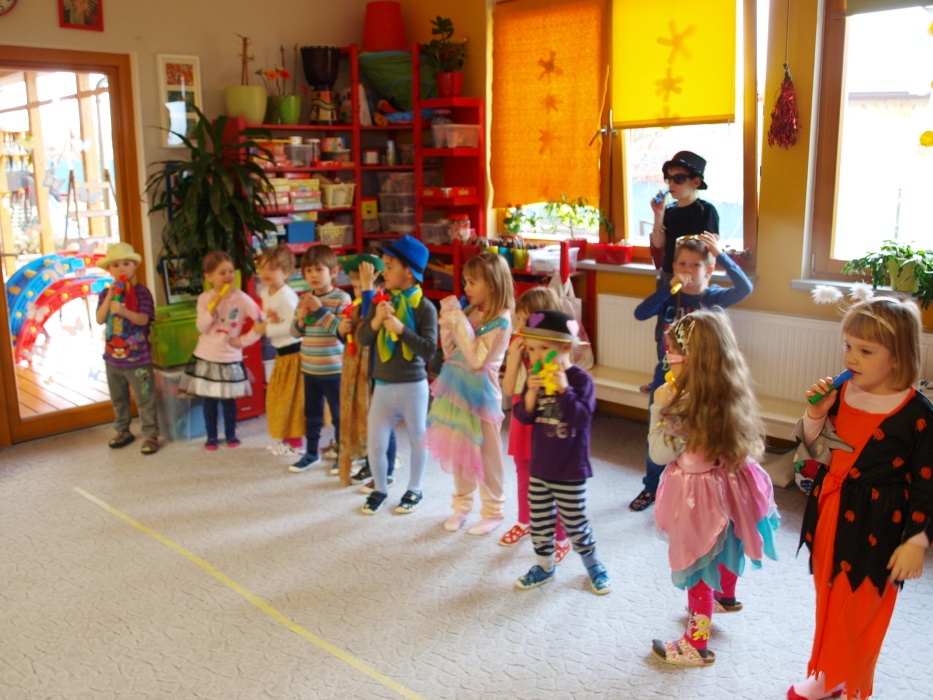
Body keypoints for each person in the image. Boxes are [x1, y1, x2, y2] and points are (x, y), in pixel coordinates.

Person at [788, 297, 932, 700]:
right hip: (831, 512)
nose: (851, 357)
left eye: (866, 351)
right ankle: (828, 674)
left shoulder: (919, 415)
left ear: (898, 358)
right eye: (848, 346)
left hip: (879, 525)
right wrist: (816, 414)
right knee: (829, 596)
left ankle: (852, 684)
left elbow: (928, 484)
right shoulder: (840, 393)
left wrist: (917, 541)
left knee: (862, 605)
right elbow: (814, 452)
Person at [649, 310, 779, 666]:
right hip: (732, 484)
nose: (667, 361)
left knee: (697, 563)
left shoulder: (680, 402)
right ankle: (726, 596)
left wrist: (659, 406)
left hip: (699, 493)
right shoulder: (728, 389)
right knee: (726, 539)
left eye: (671, 354)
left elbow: (659, 454)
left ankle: (696, 643)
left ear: (689, 360)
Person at [629, 232, 753, 511]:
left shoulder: (713, 297)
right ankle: (652, 487)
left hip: (703, 380)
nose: (687, 270)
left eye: (695, 265)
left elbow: (744, 288)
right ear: (674, 267)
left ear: (709, 270)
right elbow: (640, 312)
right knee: (660, 429)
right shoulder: (670, 295)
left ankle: (694, 485)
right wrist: (671, 286)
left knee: (697, 435)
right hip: (666, 375)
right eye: (682, 264)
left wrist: (721, 256)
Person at [511, 309, 609, 595]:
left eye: (544, 349)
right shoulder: (536, 378)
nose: (536, 356)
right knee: (540, 523)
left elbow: (581, 418)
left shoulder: (580, 380)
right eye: (531, 349)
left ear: (565, 348)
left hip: (569, 469)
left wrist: (565, 390)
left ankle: (594, 566)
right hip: (540, 468)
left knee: (575, 522)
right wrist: (531, 393)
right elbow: (524, 417)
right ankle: (544, 567)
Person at [425, 251, 515, 536]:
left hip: (483, 395)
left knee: (488, 455)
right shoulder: (470, 312)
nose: (466, 288)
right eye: (465, 281)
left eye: (472, 282)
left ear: (492, 284)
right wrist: (448, 322)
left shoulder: (501, 319)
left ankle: (493, 511)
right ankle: (462, 506)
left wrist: (458, 320)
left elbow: (477, 359)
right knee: (460, 450)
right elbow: (451, 351)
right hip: (456, 391)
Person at [355, 235, 438, 515]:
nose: (384, 273)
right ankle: (379, 489)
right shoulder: (381, 301)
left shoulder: (425, 307)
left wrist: (403, 330)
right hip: (383, 385)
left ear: (408, 272)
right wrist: (376, 321)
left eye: (389, 267)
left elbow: (429, 350)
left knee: (418, 438)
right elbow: (363, 339)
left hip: (413, 386)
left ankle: (415, 488)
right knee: (376, 442)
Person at [499, 286, 572, 562]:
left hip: (550, 420)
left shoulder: (558, 351)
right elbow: (508, 389)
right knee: (524, 471)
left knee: (554, 480)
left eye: (525, 320)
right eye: (518, 319)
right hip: (524, 415)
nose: (519, 327)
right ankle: (524, 520)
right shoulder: (521, 349)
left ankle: (561, 535)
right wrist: (514, 357)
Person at [180, 251, 261, 450]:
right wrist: (213, 306)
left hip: (230, 357)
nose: (228, 276)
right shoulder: (204, 298)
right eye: (222, 273)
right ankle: (211, 437)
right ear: (209, 277)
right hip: (207, 356)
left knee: (228, 401)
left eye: (230, 271)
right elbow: (201, 327)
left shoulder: (241, 298)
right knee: (210, 401)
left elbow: (261, 320)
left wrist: (243, 340)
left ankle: (231, 434)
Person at [335, 253, 399, 488]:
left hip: (379, 375)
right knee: (367, 423)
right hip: (359, 375)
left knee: (383, 425)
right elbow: (353, 341)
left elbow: (370, 323)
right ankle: (371, 464)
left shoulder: (383, 305)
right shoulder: (355, 307)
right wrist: (341, 331)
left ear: (380, 286)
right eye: (355, 287)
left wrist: (367, 289)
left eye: (362, 287)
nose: (358, 293)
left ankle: (387, 470)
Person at [288, 245, 351, 473]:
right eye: (308, 270)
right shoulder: (303, 299)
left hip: (334, 369)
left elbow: (342, 332)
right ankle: (311, 453)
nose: (313, 275)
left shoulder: (342, 298)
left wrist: (320, 310)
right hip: (310, 368)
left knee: (339, 416)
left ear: (334, 272)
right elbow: (294, 333)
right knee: (312, 415)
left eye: (319, 269)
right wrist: (301, 319)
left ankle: (343, 455)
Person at [95, 242, 159, 455]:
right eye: (115, 265)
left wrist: (123, 311)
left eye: (126, 264)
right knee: (118, 398)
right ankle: (122, 430)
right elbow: (100, 319)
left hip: (138, 359)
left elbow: (144, 319)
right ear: (109, 270)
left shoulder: (142, 293)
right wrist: (110, 297)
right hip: (113, 359)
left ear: (134, 266)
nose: (121, 268)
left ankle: (150, 433)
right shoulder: (106, 293)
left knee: (145, 398)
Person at [253, 245, 304, 457]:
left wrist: (267, 329)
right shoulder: (265, 292)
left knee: (291, 399)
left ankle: (295, 444)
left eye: (272, 268)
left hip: (294, 353)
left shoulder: (286, 295)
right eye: (263, 267)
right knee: (279, 397)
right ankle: (286, 439)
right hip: (281, 353)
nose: (265, 272)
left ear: (286, 272)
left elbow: (296, 326)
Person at [649, 150, 719, 283]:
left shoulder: (706, 210)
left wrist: (702, 278)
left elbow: (711, 250)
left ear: (696, 182)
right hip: (668, 274)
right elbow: (658, 244)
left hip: (693, 277)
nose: (671, 184)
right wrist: (658, 214)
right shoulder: (669, 210)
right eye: (669, 179)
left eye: (678, 179)